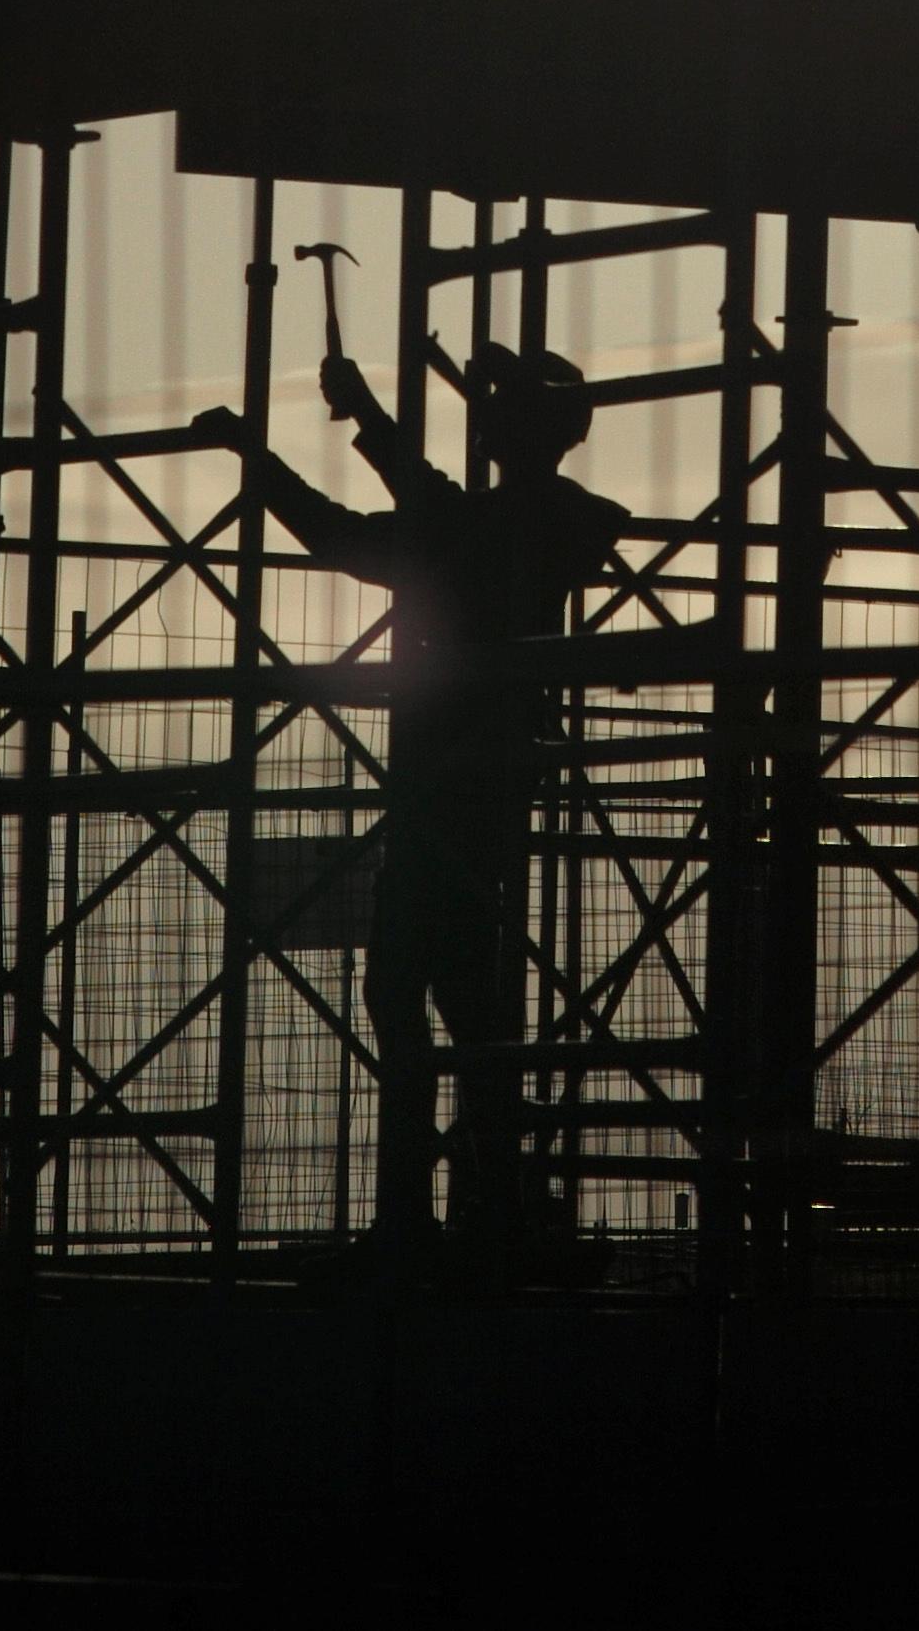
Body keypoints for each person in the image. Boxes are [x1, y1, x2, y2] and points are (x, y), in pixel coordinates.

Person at [194, 341, 630, 1258]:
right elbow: (396, 517)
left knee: (417, 991)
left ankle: (440, 1211)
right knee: (453, 1000)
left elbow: (381, 524)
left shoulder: (514, 527)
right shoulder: (529, 523)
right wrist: (340, 433)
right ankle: (474, 1203)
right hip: (468, 786)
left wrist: (306, 443)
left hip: (457, 785)